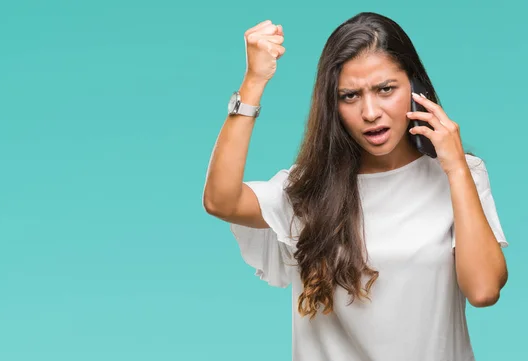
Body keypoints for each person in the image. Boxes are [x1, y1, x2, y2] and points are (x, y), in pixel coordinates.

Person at [202, 11, 509, 361]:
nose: (370, 112)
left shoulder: (463, 175)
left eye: (386, 90)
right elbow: (220, 200)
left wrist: (454, 168)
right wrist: (253, 82)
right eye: (350, 96)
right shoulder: (308, 189)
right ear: (332, 105)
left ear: (415, 88)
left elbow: (484, 290)